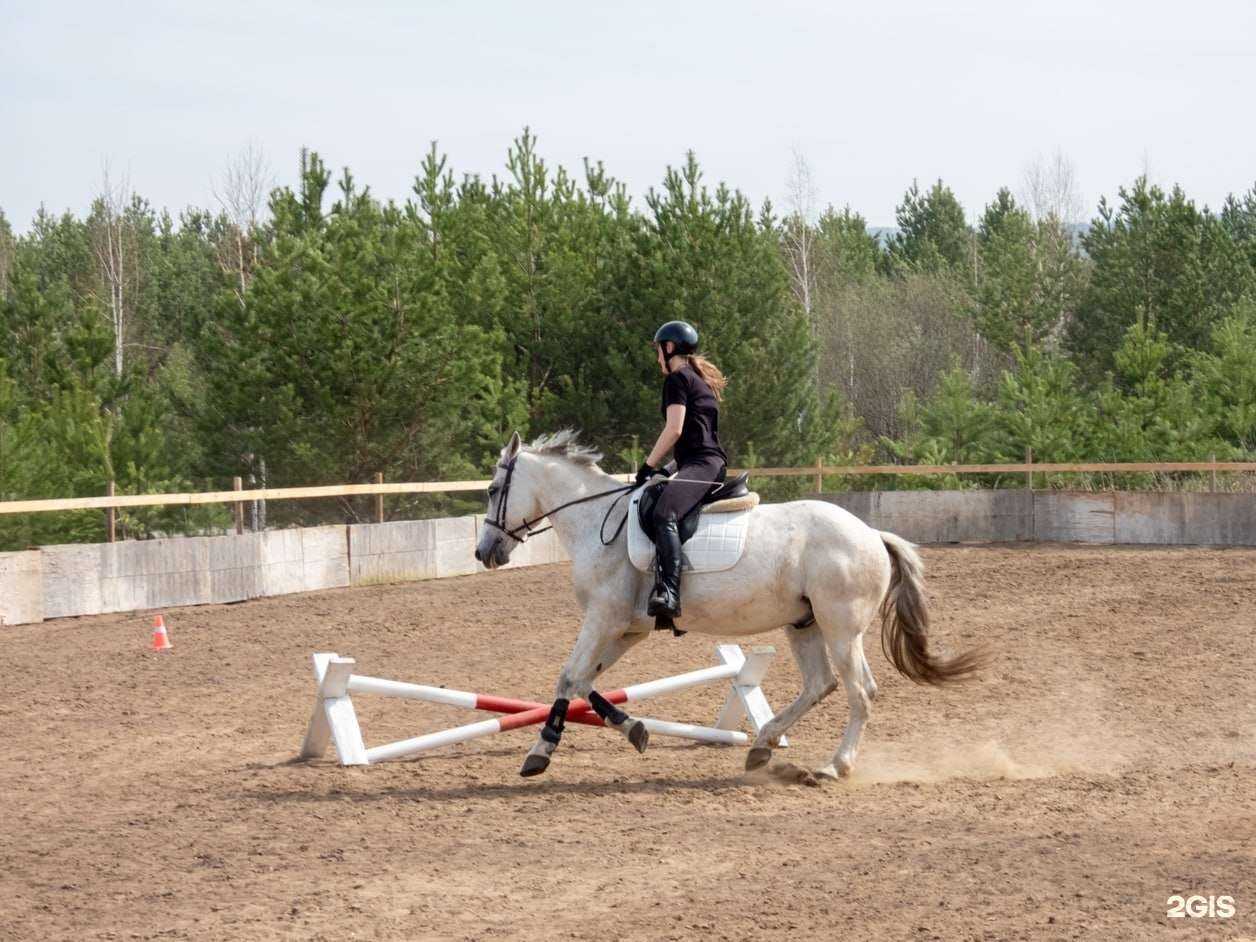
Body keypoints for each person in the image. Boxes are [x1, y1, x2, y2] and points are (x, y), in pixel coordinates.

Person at [633, 320, 728, 621]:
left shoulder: (677, 380)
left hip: (704, 465)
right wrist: (667, 468)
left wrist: (647, 466)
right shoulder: (697, 380)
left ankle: (669, 592)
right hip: (701, 463)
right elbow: (694, 438)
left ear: (669, 347)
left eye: (658, 350)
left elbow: (673, 430)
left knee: (664, 513)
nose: (657, 357)